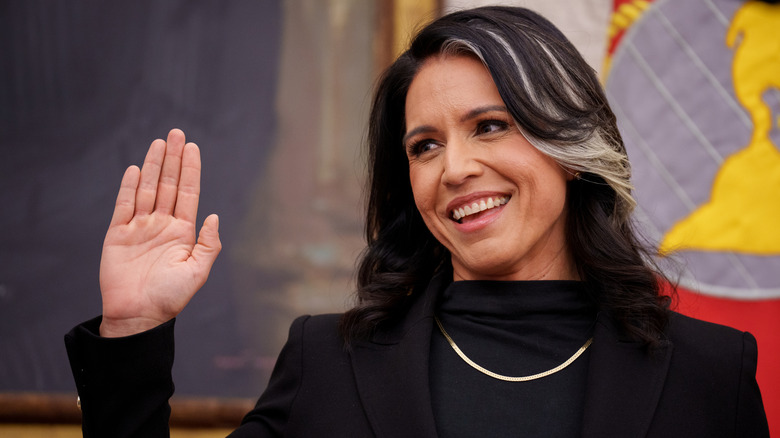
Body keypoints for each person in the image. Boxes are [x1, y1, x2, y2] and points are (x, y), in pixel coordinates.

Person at [65, 6, 769, 437]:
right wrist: (134, 329)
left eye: (489, 126)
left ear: (571, 149)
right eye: (423, 146)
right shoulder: (327, 363)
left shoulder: (713, 372)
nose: (453, 167)